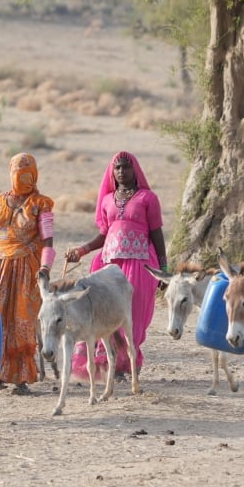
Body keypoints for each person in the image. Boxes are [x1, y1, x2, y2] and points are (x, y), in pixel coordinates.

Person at [64, 150, 167, 380]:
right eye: (117, 168)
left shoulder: (147, 199)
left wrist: (163, 270)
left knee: (134, 314)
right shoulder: (108, 200)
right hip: (109, 265)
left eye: (126, 167)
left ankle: (128, 362)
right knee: (106, 313)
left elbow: (157, 234)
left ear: (135, 170)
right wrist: (82, 251)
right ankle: (109, 365)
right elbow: (104, 234)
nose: (121, 172)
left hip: (140, 263)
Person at [0, 152, 56, 395]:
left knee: (22, 320)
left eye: (27, 171)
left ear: (34, 173)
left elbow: (48, 241)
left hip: (26, 267)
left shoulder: (42, 204)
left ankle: (21, 378)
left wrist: (45, 268)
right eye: (17, 171)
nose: (21, 176)